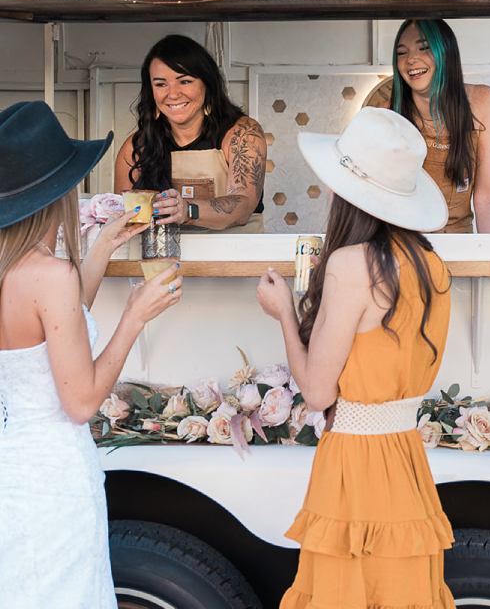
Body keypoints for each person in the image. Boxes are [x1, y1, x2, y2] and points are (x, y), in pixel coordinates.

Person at [256, 107, 455, 609]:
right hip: (406, 461)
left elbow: (319, 392)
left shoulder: (350, 264)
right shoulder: (432, 264)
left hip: (353, 469)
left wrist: (283, 312)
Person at [0, 101, 182, 607]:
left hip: (9, 474)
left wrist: (101, 246)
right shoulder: (50, 275)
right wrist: (134, 317)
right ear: (57, 193)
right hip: (55, 483)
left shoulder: (15, 271)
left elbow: (56, 333)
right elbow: (80, 402)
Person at [114, 34, 267, 232]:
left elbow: (243, 207)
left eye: (185, 81)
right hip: (164, 262)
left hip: (236, 258)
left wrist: (187, 210)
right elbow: (120, 215)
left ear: (207, 82)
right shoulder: (137, 146)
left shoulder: (243, 134)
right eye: (161, 84)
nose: (173, 94)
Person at [368, 19, 490, 233]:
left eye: (424, 48)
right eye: (402, 52)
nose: (411, 59)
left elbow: (488, 196)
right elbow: (366, 197)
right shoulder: (385, 116)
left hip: (459, 247)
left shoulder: (483, 101)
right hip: (403, 247)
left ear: (446, 53)